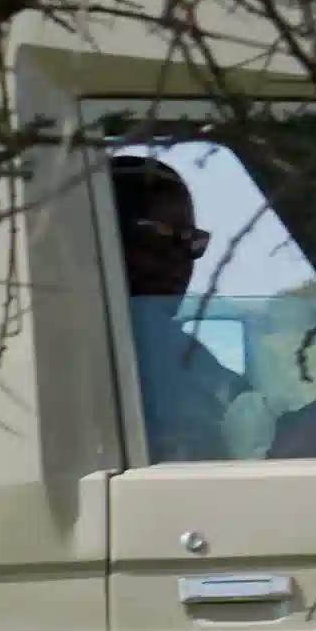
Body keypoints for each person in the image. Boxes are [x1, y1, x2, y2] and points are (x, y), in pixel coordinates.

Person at [107, 156, 250, 462]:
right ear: (108, 235)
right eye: (157, 235)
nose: (180, 258)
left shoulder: (167, 343)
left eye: (191, 240)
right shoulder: (127, 340)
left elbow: (247, 411)